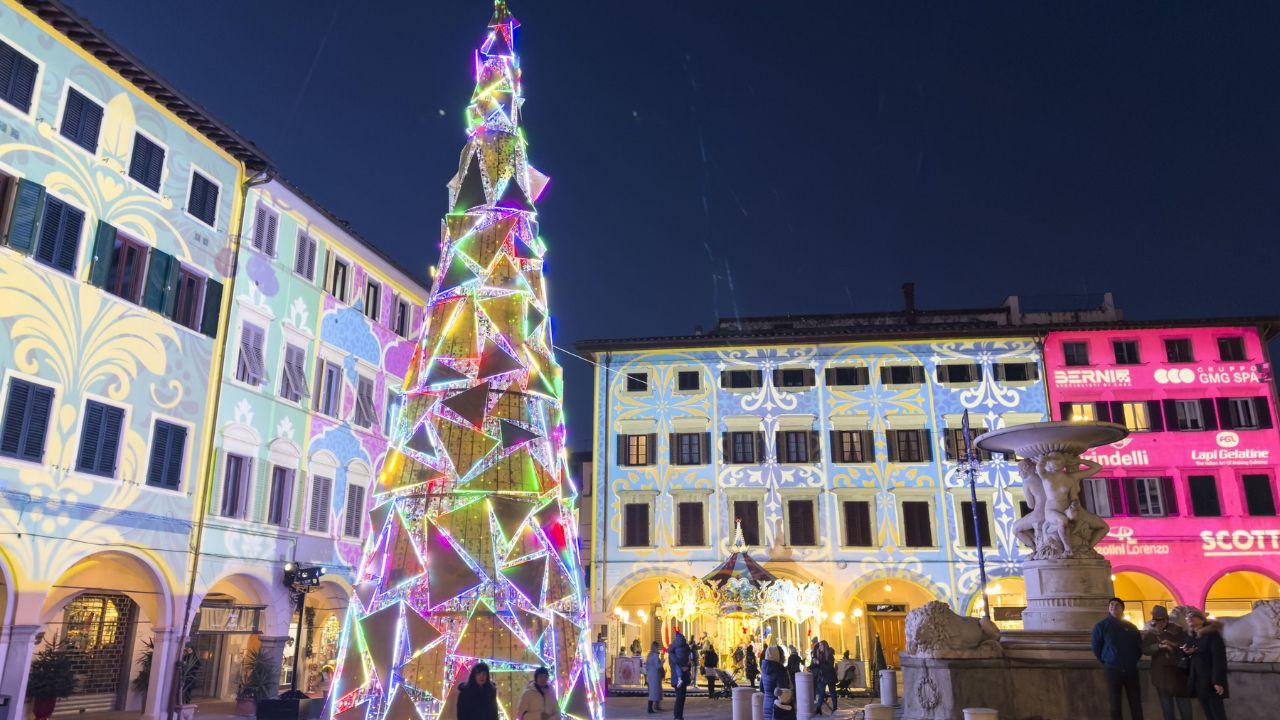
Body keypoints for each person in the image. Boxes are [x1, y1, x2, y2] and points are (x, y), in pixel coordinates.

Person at [1091, 597, 1144, 720]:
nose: (1113, 606)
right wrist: (1108, 660)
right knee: (1115, 702)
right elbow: (1096, 647)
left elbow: (1138, 647)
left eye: (1117, 605)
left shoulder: (1131, 627)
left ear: (1122, 609)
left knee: (1135, 701)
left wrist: (1131, 660)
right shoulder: (1101, 626)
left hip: (1130, 669)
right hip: (1113, 669)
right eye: (1111, 605)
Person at [1142, 605, 1192, 720]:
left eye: (1162, 619)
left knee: (1185, 709)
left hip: (1178, 675)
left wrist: (1172, 644)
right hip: (1162, 676)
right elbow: (1145, 649)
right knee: (1168, 710)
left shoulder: (1178, 630)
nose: (1160, 622)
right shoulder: (1152, 633)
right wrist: (1158, 646)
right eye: (1157, 619)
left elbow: (1186, 647)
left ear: (1167, 619)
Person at [1185, 610, 1229, 720]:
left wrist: (1217, 681)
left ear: (1201, 619)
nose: (1190, 618)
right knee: (1208, 714)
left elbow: (1218, 659)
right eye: (1188, 617)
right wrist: (1187, 652)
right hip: (1198, 681)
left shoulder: (1212, 635)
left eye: (1193, 616)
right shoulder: (1192, 636)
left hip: (1211, 681)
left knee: (1217, 714)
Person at [669, 630, 693, 720]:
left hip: (677, 677)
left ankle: (678, 716)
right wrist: (686, 667)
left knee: (679, 697)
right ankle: (678, 716)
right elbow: (690, 661)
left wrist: (682, 667)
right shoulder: (686, 649)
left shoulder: (672, 651)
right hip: (684, 675)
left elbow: (673, 664)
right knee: (681, 698)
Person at [760, 644, 786, 720]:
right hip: (777, 705)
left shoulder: (764, 670)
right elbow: (782, 691)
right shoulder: (780, 670)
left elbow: (761, 688)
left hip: (766, 704)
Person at [811, 640, 837, 715]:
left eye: (821, 645)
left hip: (829, 676)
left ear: (825, 646)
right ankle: (818, 708)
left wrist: (819, 663)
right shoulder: (818, 654)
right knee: (821, 693)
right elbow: (816, 666)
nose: (820, 647)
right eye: (819, 645)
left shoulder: (830, 655)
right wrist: (813, 662)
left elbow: (829, 667)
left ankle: (835, 708)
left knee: (832, 692)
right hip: (821, 676)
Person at [644, 641, 664, 714]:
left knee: (653, 691)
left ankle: (654, 706)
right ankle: (650, 708)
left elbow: (647, 665)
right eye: (658, 647)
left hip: (651, 675)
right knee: (654, 692)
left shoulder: (649, 655)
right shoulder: (655, 655)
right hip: (655, 675)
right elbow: (657, 666)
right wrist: (662, 662)